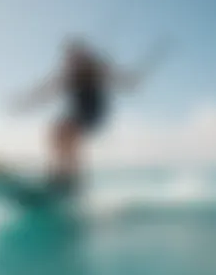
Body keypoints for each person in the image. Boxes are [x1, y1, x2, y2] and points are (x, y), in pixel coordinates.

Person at [10, 37, 141, 190]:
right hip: (77, 116)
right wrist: (25, 101)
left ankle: (72, 180)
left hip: (94, 114)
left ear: (82, 56)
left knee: (67, 131)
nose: (71, 61)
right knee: (56, 132)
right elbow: (45, 91)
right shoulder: (68, 76)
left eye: (75, 57)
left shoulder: (95, 70)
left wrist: (130, 81)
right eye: (69, 58)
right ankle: (60, 176)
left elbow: (120, 80)